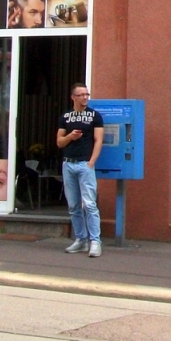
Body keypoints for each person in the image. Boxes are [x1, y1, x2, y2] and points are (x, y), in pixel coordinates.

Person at [57, 83, 104, 258]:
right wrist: (71, 136)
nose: (85, 97)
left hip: (85, 164)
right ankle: (81, 239)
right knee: (73, 205)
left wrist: (91, 162)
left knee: (90, 204)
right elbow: (59, 142)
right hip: (68, 163)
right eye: (81, 95)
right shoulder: (66, 117)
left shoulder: (94, 116)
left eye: (87, 94)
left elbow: (99, 140)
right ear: (73, 97)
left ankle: (95, 241)